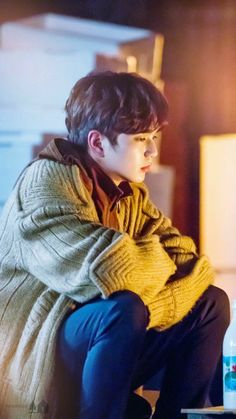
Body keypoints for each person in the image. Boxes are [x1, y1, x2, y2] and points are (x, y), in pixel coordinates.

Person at [0, 71, 230, 419]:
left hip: (103, 337)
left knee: (212, 302)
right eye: (140, 139)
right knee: (124, 308)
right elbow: (108, 268)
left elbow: (192, 262)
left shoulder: (129, 193)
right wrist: (150, 270)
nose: (153, 149)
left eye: (155, 135)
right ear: (97, 143)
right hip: (39, 349)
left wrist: (151, 287)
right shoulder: (44, 182)